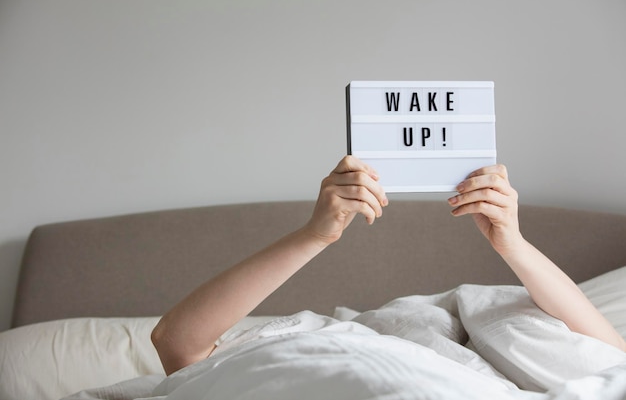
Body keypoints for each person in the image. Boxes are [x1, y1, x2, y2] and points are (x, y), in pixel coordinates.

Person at [151, 156, 626, 375]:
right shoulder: (320, 347)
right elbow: (177, 343)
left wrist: (513, 244)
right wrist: (317, 233)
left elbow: (610, 360)